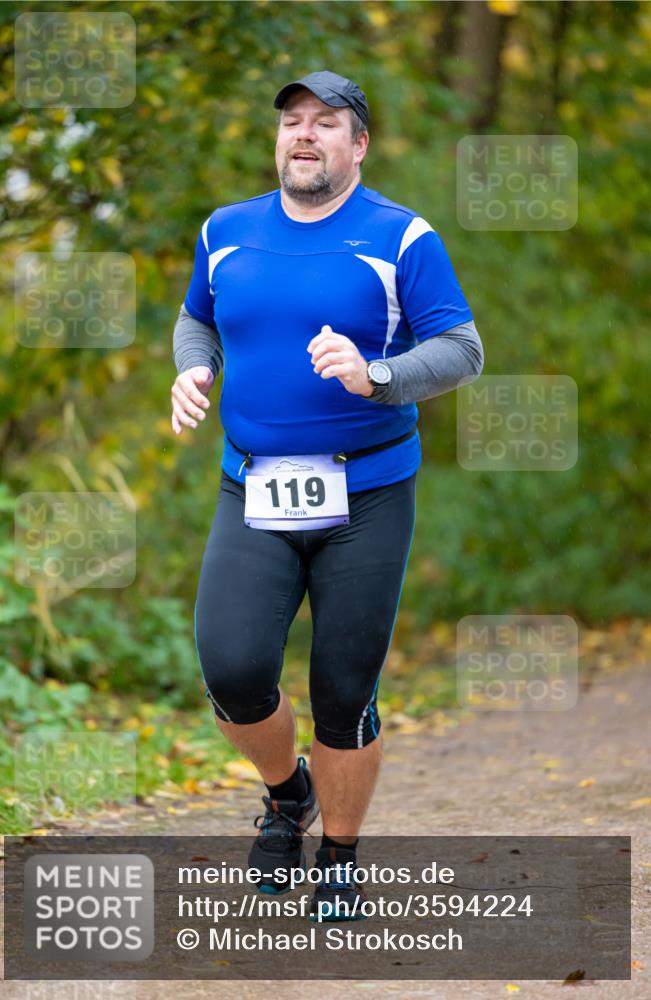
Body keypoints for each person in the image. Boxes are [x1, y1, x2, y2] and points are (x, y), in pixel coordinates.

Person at [171, 70, 483, 921]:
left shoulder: (400, 238)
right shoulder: (225, 231)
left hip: (369, 493)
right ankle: (285, 794)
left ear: (358, 145)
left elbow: (461, 349)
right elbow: (196, 317)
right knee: (232, 669)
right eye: (291, 122)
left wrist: (375, 373)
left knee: (344, 690)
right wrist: (192, 367)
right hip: (254, 489)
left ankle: (339, 856)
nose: (303, 135)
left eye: (326, 123)